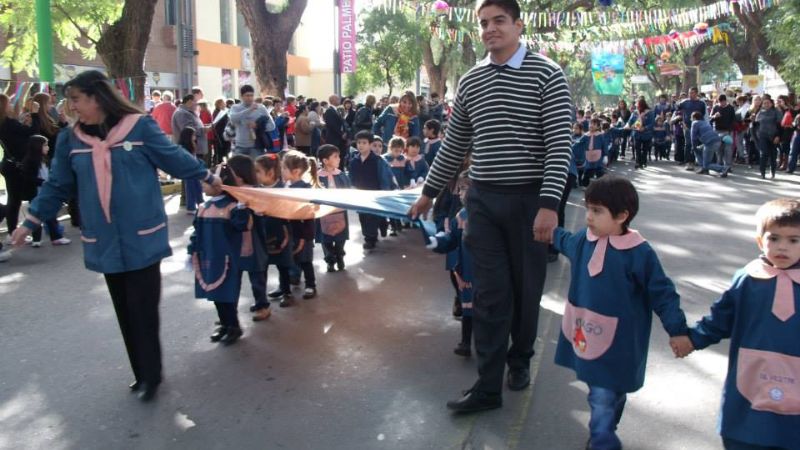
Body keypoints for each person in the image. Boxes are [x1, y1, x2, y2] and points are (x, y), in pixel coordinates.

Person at [10, 70, 220, 402]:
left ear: (97, 97)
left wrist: (206, 176)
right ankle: (141, 374)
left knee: (143, 310)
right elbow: (57, 185)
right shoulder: (70, 139)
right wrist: (30, 220)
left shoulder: (139, 126)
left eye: (77, 98)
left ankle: (152, 375)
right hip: (104, 241)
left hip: (143, 236)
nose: (72, 106)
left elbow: (172, 156)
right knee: (124, 310)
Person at [410, 0, 573, 413]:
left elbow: (559, 147)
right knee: (489, 295)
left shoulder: (547, 75)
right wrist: (429, 191)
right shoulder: (470, 81)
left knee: (525, 289)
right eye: (484, 22)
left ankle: (519, 360)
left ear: (519, 25)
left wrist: (550, 205)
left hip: (530, 200)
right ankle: (487, 386)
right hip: (482, 199)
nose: (490, 28)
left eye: (499, 20)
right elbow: (455, 143)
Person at [551, 176, 689, 450]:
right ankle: (604, 431)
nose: (589, 217)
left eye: (597, 211)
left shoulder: (638, 253)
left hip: (621, 340)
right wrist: (546, 230)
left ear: (622, 216)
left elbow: (662, 292)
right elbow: (564, 240)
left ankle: (603, 436)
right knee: (599, 388)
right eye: (588, 208)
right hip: (586, 331)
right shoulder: (583, 240)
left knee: (608, 391)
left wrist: (678, 330)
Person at [672, 198, 800, 450]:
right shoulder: (748, 278)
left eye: (793, 240)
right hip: (749, 383)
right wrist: (692, 339)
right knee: (744, 437)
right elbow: (721, 317)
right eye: (773, 238)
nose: (782, 247)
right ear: (759, 240)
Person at [189, 157, 252, 346]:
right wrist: (191, 250)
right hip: (208, 258)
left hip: (226, 259)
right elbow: (196, 232)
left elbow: (241, 226)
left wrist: (243, 209)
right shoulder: (203, 208)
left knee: (227, 294)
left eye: (206, 181)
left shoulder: (231, 207)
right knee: (215, 295)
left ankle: (234, 326)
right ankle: (224, 324)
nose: (202, 184)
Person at [426, 171, 475, 357]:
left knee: (485, 310)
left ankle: (486, 343)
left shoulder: (488, 216)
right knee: (468, 308)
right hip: (466, 271)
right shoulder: (461, 215)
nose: (460, 193)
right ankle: (465, 342)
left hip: (486, 273)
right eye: (460, 189)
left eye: (465, 189)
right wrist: (437, 242)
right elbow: (452, 238)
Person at [256, 154, 295, 309]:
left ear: (271, 173)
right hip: (262, 233)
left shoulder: (284, 189)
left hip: (281, 232)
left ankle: (286, 292)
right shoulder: (256, 190)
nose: (255, 175)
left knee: (283, 265)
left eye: (258, 171)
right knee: (261, 266)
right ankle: (261, 300)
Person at [0, 93, 41, 240]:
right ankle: (34, 235)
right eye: (9, 103)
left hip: (9, 165)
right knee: (29, 197)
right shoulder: (9, 123)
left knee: (14, 200)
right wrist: (35, 115)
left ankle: (12, 233)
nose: (11, 105)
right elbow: (32, 133)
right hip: (17, 166)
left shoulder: (6, 123)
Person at [18, 135, 71, 247]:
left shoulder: (46, 160)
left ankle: (55, 237)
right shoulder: (29, 161)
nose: (48, 147)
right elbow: (28, 178)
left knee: (50, 216)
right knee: (37, 215)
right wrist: (43, 182)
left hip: (45, 191)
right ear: (37, 146)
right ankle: (37, 239)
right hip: (36, 192)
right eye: (45, 145)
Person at [281, 150, 320, 301]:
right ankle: (293, 279)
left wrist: (305, 235)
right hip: (291, 232)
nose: (281, 171)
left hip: (304, 232)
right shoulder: (286, 188)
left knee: (305, 260)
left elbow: (310, 213)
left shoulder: (305, 189)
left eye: (284, 168)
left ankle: (311, 285)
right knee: (292, 258)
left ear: (295, 171)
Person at [349, 131, 396, 250]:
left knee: (373, 216)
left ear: (370, 145)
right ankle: (371, 236)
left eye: (364, 143)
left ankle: (372, 236)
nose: (360, 145)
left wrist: (385, 193)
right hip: (360, 195)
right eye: (359, 142)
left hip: (375, 194)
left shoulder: (378, 161)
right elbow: (351, 178)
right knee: (363, 217)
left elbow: (385, 177)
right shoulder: (354, 161)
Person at [316, 144, 351, 272]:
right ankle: (330, 260)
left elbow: (348, 189)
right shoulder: (317, 177)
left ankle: (340, 256)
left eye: (339, 156)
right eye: (335, 157)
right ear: (325, 161)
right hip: (323, 213)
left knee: (340, 237)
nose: (339, 159)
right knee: (326, 239)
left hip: (339, 211)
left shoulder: (341, 174)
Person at [228, 85, 271, 159]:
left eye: (251, 95)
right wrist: (250, 110)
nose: (250, 98)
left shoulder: (261, 108)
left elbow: (271, 125)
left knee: (255, 170)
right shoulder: (235, 108)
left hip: (256, 147)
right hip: (240, 146)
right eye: (247, 95)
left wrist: (257, 125)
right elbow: (233, 119)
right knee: (237, 169)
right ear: (241, 96)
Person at [691, 111, 730, 177]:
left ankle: (723, 168)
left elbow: (693, 137)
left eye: (691, 117)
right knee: (700, 150)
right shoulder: (705, 122)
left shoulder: (695, 123)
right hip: (717, 141)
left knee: (706, 164)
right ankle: (704, 169)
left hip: (710, 143)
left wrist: (693, 146)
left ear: (694, 117)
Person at [678, 87, 707, 170]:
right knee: (688, 144)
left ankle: (698, 161)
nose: (691, 94)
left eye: (693, 93)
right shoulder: (684, 102)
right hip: (687, 127)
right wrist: (682, 123)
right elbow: (677, 111)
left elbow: (703, 115)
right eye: (690, 93)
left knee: (697, 144)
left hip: (698, 127)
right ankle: (688, 162)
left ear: (696, 93)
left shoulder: (701, 103)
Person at [754, 96, 782, 180]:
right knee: (763, 153)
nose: (766, 104)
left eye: (768, 103)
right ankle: (762, 172)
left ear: (771, 103)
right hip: (762, 136)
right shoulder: (760, 113)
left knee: (773, 155)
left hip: (773, 136)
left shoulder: (776, 112)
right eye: (764, 103)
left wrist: (778, 136)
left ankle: (772, 171)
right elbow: (756, 125)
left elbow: (780, 125)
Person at [177, 127, 204, 213]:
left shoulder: (192, 144)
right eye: (193, 135)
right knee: (190, 189)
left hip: (194, 169)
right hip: (188, 170)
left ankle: (201, 203)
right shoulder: (183, 148)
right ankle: (191, 207)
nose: (195, 137)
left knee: (198, 187)